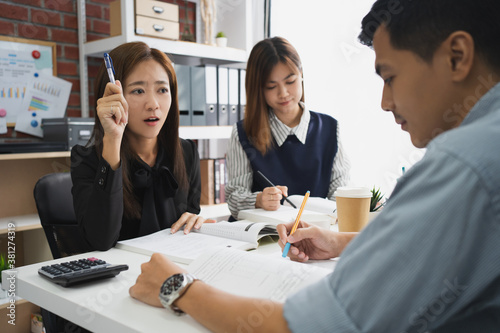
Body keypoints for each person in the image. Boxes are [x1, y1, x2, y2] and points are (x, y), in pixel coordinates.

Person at [129, 0, 500, 331]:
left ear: (457, 56)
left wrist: (180, 288)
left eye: (390, 77)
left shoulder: (464, 166)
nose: (385, 102)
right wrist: (339, 241)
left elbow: (318, 323)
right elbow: (430, 248)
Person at [71, 41, 213, 251]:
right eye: (138, 91)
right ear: (111, 97)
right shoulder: (86, 161)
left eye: (162, 89)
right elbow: (100, 241)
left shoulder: (186, 153)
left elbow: (189, 219)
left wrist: (194, 222)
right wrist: (112, 140)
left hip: (172, 271)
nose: (153, 104)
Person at [225, 36, 350, 219]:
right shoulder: (244, 133)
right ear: (258, 90)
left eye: (290, 81)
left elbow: (340, 193)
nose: (283, 93)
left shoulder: (330, 128)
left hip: (313, 233)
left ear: (301, 75)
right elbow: (234, 199)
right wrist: (259, 200)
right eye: (271, 86)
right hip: (264, 235)